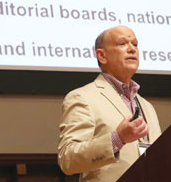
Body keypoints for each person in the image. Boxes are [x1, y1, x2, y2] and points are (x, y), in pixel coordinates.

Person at [57, 25, 161, 182]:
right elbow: (68, 159)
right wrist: (117, 139)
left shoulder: (147, 106)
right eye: (122, 44)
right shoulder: (82, 97)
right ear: (101, 55)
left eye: (135, 44)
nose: (132, 49)